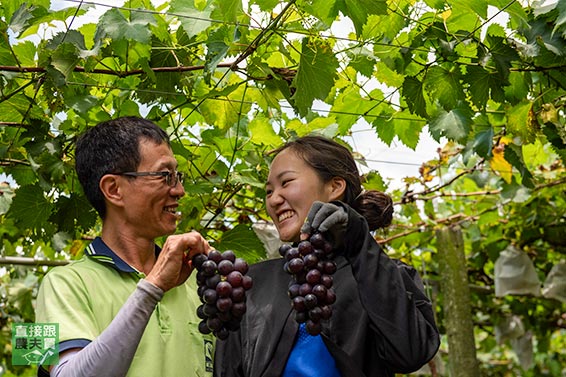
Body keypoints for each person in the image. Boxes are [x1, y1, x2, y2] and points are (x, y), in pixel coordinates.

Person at [214, 135, 440, 377]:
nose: (274, 199)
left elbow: (411, 353)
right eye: (268, 191)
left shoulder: (385, 276)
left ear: (334, 187)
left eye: (286, 182)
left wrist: (360, 241)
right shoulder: (253, 284)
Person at [35, 116, 214, 376]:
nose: (180, 190)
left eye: (178, 176)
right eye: (165, 176)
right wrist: (152, 288)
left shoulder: (194, 280)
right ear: (113, 189)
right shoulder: (57, 285)